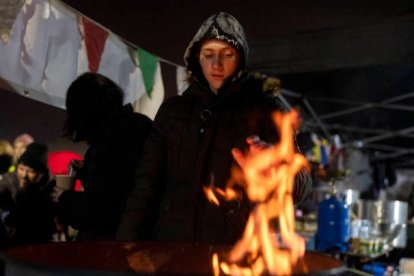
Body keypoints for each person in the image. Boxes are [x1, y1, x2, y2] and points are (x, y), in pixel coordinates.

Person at [117, 12, 312, 245]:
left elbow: (302, 186)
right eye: (208, 54)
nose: (216, 64)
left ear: (240, 59)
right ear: (196, 58)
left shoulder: (266, 111)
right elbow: (146, 184)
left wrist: (277, 165)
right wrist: (126, 244)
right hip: (172, 248)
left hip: (234, 251)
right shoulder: (173, 111)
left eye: (227, 55)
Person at [52, 72, 152, 241]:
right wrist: (87, 170)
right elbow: (119, 181)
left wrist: (64, 198)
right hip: (142, 233)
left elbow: (96, 210)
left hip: (113, 247)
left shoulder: (110, 140)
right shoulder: (139, 124)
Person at [0, 142, 57, 245]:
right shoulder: (9, 180)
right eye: (21, 169)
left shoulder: (51, 189)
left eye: (31, 171)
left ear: (41, 173)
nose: (24, 175)